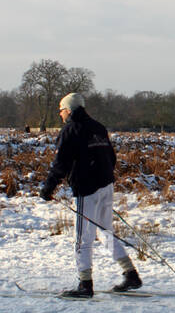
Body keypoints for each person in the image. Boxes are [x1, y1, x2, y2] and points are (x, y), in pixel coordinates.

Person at [39, 92, 142, 298]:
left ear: (69, 110)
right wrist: (102, 178)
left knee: (82, 238)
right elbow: (111, 158)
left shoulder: (71, 130)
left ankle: (85, 284)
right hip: (106, 186)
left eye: (61, 110)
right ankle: (130, 274)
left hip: (87, 189)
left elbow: (61, 163)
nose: (60, 114)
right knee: (104, 232)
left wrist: (48, 188)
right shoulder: (98, 127)